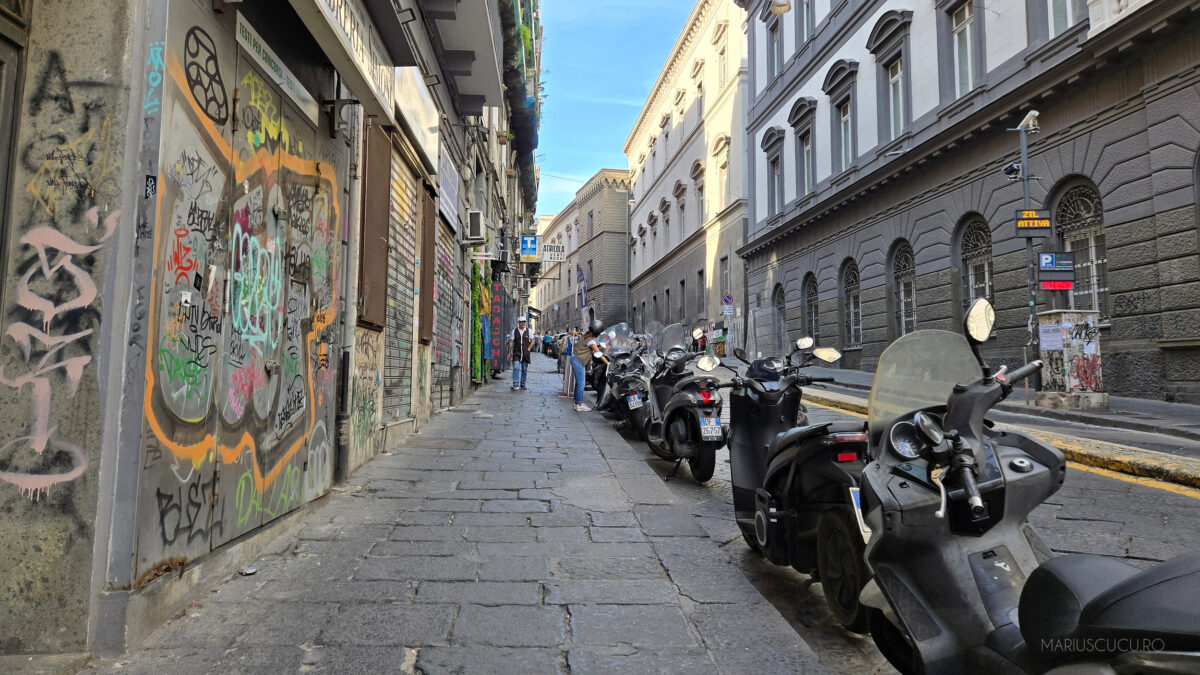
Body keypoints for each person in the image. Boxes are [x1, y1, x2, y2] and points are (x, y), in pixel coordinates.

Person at [571, 319, 608, 412]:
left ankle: (577, 403)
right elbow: (598, 353)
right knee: (581, 383)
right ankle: (579, 404)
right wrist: (608, 363)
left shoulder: (585, 336)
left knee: (579, 383)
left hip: (575, 358)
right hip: (578, 360)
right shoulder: (591, 341)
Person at [508, 316, 535, 391]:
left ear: (525, 323)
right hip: (516, 352)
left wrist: (529, 348)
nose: (523, 323)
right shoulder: (514, 331)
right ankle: (515, 384)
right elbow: (511, 342)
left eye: (524, 322)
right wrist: (509, 352)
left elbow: (533, 340)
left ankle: (523, 384)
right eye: (521, 322)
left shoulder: (528, 331)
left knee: (524, 369)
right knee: (516, 367)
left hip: (525, 353)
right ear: (518, 323)